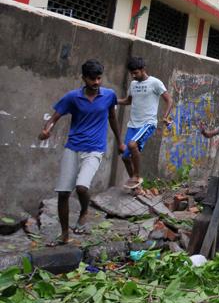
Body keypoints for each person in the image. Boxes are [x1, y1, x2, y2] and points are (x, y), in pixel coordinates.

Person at [38, 59, 125, 245]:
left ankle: (84, 211)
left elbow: (112, 118)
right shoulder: (72, 97)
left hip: (95, 149)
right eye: (92, 79)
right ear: (84, 78)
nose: (96, 83)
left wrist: (120, 142)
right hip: (73, 148)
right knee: (63, 193)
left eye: (99, 78)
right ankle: (64, 234)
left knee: (82, 186)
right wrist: (47, 129)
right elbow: (55, 117)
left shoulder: (109, 95)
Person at [117, 57, 173, 190]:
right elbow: (128, 101)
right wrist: (114, 100)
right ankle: (136, 186)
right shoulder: (133, 84)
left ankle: (136, 175)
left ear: (143, 70)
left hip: (148, 123)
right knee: (125, 157)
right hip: (133, 125)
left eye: (135, 73)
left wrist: (165, 116)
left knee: (132, 144)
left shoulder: (155, 83)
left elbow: (169, 100)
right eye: (131, 73)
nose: (133, 76)